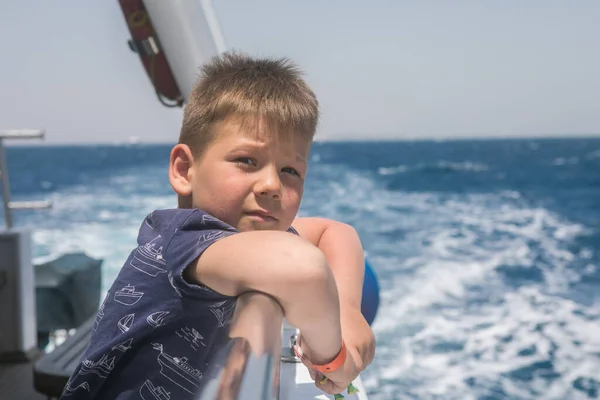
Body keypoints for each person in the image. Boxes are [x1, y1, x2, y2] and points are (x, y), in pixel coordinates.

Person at [60, 51, 375, 399]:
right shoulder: (184, 238)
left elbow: (336, 232)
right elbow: (304, 270)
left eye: (290, 171)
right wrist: (333, 359)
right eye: (246, 160)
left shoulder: (254, 237)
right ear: (184, 170)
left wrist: (346, 309)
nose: (272, 184)